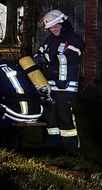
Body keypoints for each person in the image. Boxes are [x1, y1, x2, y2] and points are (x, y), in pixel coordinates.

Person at [33, 9, 84, 155]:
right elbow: (40, 53)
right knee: (50, 114)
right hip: (49, 84)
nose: (53, 30)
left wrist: (47, 59)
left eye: (56, 26)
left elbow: (69, 58)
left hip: (66, 86)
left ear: (63, 23)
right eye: (50, 28)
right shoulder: (50, 40)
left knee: (64, 116)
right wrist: (37, 58)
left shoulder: (74, 39)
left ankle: (71, 148)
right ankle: (53, 144)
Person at [0, 48, 43, 150]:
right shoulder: (16, 67)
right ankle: (10, 138)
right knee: (4, 104)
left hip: (20, 113)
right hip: (37, 110)